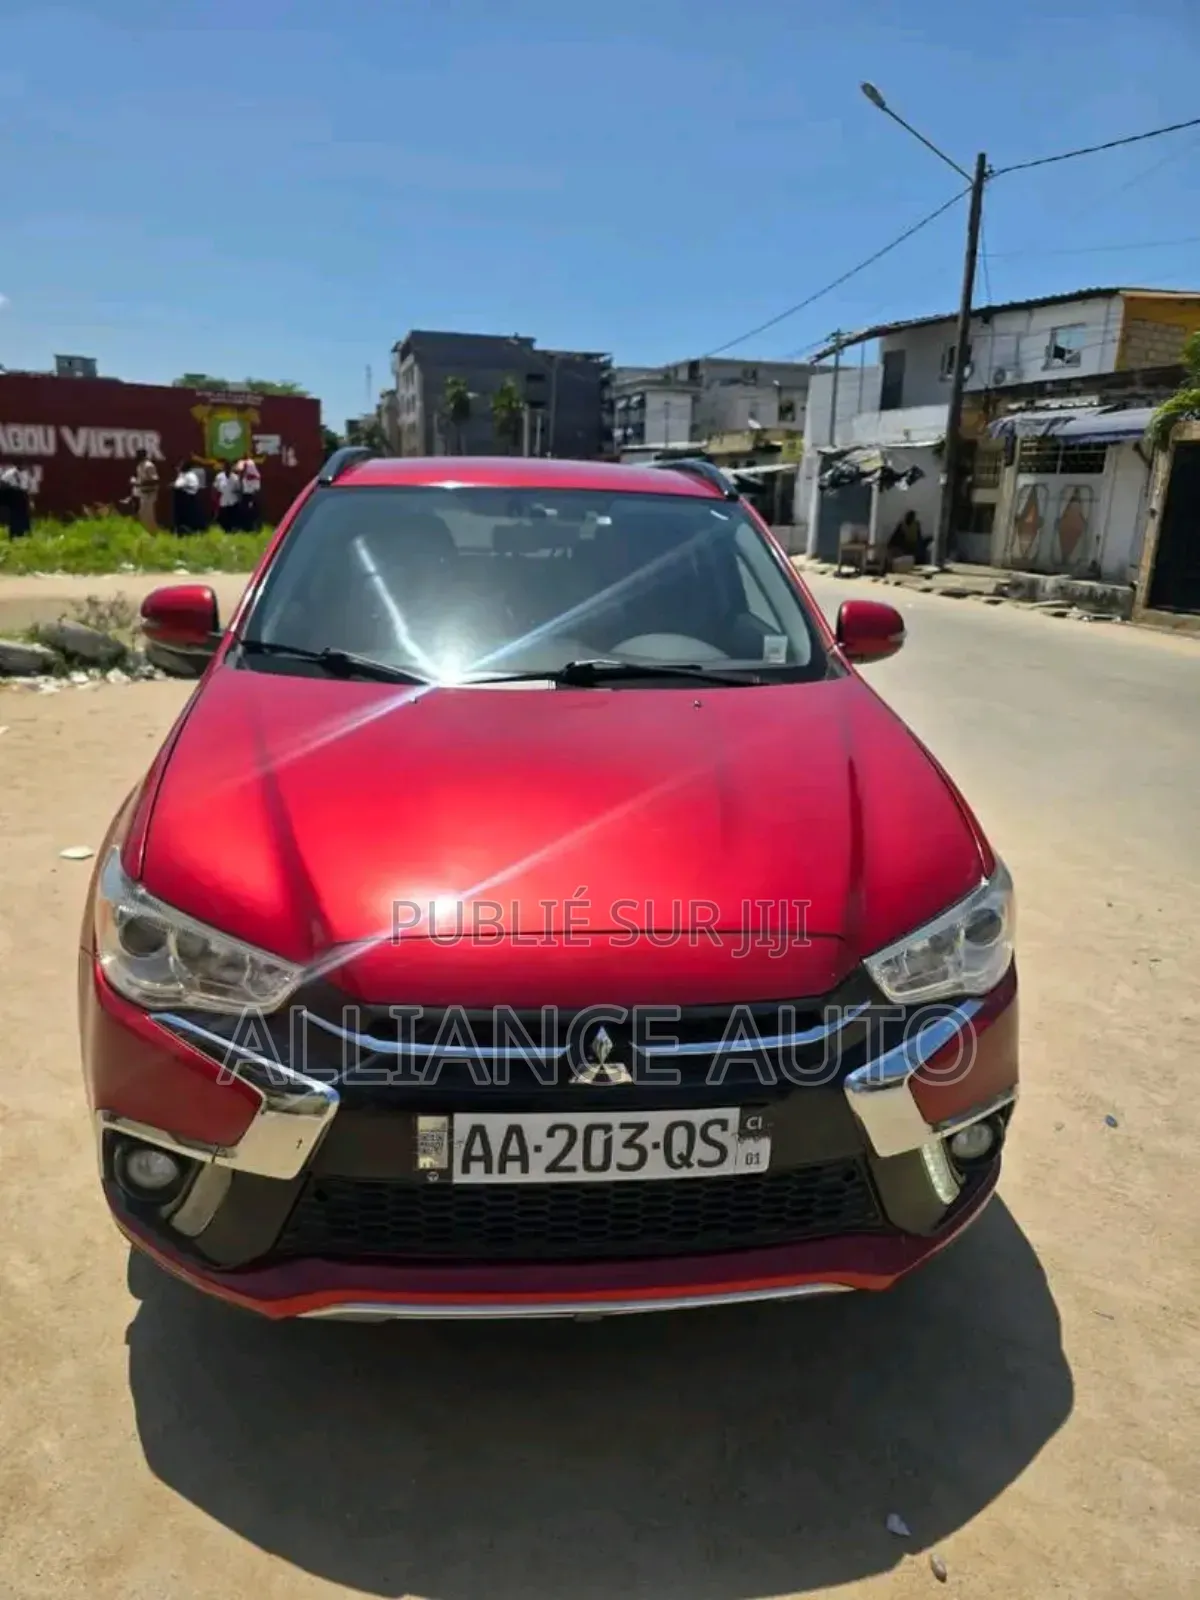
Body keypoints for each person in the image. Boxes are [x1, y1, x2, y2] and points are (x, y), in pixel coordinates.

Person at [0, 463, 32, 537]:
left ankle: (23, 531)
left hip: (21, 496)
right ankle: (15, 533)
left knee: (22, 513)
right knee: (15, 515)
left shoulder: (25, 474)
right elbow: (2, 483)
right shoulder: (10, 473)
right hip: (11, 495)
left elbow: (26, 488)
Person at [131, 449, 159, 531]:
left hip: (149, 494)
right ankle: (147, 534)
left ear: (142, 455)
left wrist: (138, 483)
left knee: (148, 517)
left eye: (138, 455)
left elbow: (154, 480)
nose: (135, 456)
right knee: (142, 516)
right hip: (142, 494)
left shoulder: (149, 465)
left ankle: (153, 534)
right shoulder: (140, 465)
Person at [171, 459, 201, 535]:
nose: (179, 467)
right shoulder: (182, 475)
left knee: (188, 518)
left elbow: (180, 485)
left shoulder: (190, 476)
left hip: (187, 499)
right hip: (182, 499)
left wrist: (175, 486)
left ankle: (188, 531)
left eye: (181, 466)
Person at [213, 460, 241, 532]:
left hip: (233, 500)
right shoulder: (219, 477)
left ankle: (233, 529)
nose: (227, 469)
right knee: (223, 517)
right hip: (223, 499)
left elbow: (239, 489)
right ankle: (225, 529)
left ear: (231, 468)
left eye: (229, 467)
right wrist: (215, 498)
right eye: (226, 467)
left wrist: (236, 493)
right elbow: (215, 488)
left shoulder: (235, 477)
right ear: (224, 468)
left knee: (233, 516)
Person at [236, 454, 262, 531]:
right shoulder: (248, 463)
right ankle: (249, 526)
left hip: (249, 490)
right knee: (248, 508)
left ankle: (250, 526)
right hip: (250, 490)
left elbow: (241, 471)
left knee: (248, 508)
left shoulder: (247, 463)